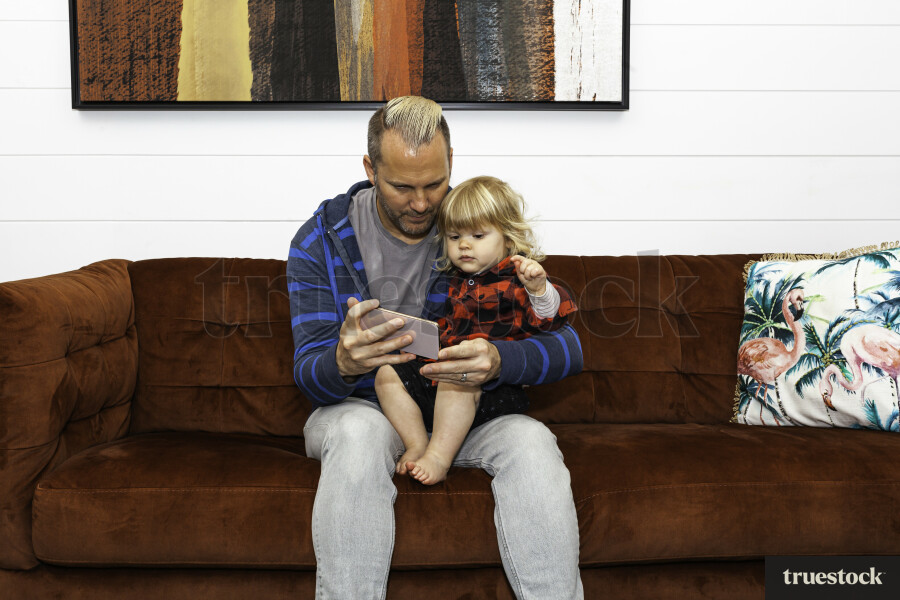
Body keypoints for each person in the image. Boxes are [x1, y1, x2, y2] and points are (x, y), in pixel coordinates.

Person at [287, 96, 585, 599]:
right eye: (402, 186)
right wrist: (340, 361)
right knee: (358, 434)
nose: (422, 204)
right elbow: (307, 373)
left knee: (532, 442)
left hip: (468, 411)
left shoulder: (475, 229)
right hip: (364, 409)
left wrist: (498, 360)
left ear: (452, 165)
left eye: (434, 184)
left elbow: (570, 346)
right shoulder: (320, 242)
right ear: (370, 168)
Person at [376, 176, 578, 485]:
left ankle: (439, 458)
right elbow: (440, 330)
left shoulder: (518, 280)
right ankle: (417, 443)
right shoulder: (448, 281)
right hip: (442, 380)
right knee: (387, 375)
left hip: (492, 392)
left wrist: (539, 289)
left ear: (508, 239)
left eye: (478, 235)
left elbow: (554, 318)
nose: (464, 245)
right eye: (454, 236)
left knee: (459, 378)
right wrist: (413, 340)